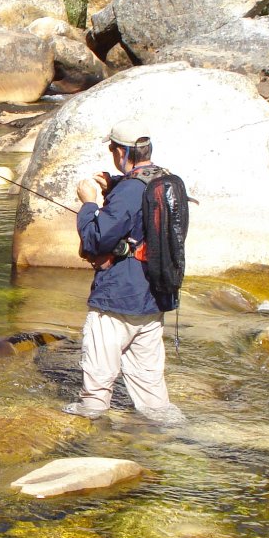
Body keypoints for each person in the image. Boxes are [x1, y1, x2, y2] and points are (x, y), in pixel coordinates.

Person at [64, 119, 185, 425]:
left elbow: (96, 237)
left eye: (112, 148)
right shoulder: (166, 181)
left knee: (98, 379)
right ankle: (170, 440)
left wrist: (89, 203)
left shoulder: (130, 191)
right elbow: (142, 210)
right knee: (151, 391)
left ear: (122, 151)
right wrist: (114, 184)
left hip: (119, 296)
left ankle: (90, 425)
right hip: (154, 296)